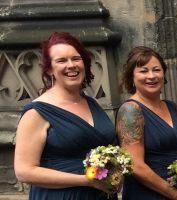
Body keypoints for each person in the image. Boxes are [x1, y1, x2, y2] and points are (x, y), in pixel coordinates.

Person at [14, 32, 119, 199]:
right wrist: (86, 180)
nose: (71, 65)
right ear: (49, 69)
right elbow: (24, 172)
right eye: (61, 61)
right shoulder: (36, 112)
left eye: (76, 59)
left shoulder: (94, 103)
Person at [116, 46, 177, 200]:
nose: (151, 76)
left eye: (156, 70)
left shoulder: (172, 107)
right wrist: (174, 194)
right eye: (143, 71)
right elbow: (135, 165)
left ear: (164, 73)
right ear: (132, 77)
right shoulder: (130, 110)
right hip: (150, 194)